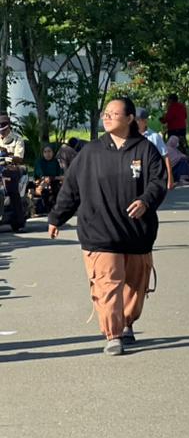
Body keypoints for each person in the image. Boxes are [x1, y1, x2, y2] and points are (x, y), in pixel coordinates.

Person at [47, 98, 168, 355]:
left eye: (114, 113)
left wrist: (146, 201)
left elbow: (158, 182)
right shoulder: (90, 152)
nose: (108, 117)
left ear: (130, 119)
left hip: (136, 233)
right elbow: (71, 188)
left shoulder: (145, 150)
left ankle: (127, 322)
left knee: (135, 284)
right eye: (106, 113)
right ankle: (113, 334)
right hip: (99, 232)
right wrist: (57, 218)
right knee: (107, 283)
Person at [136, 107, 175, 190]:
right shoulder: (129, 137)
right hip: (136, 176)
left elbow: (166, 156)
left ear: (145, 121)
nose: (134, 123)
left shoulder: (154, 137)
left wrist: (170, 177)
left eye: (137, 120)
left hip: (152, 176)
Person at [0, 113, 26, 210]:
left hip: (12, 168)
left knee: (12, 188)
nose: (2, 132)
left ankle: (18, 216)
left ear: (9, 127)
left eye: (4, 129)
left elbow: (19, 158)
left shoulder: (17, 139)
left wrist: (7, 155)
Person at [32, 144, 63, 214]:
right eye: (45, 152)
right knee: (45, 190)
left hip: (55, 183)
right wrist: (44, 180)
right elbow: (38, 176)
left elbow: (62, 176)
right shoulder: (39, 162)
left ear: (53, 152)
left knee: (55, 189)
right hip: (42, 184)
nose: (47, 154)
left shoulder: (56, 162)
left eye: (49, 151)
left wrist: (51, 178)